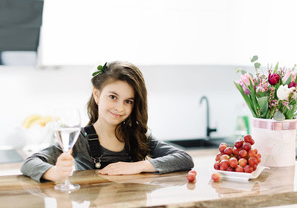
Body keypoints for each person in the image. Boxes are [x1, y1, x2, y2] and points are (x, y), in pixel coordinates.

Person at [21, 61, 194, 182]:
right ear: (97, 95)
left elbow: (184, 159)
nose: (120, 107)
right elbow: (30, 163)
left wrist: (139, 166)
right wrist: (56, 173)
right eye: (113, 97)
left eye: (128, 101)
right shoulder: (81, 140)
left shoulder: (138, 137)